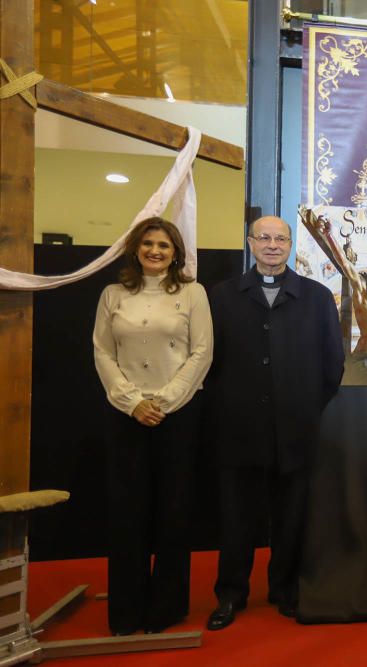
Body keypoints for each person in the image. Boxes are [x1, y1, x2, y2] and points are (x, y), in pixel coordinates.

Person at [206, 215, 344, 630]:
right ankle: (231, 594)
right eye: (263, 237)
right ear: (250, 243)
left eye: (280, 238)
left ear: (290, 245)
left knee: (292, 517)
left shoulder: (317, 297)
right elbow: (208, 361)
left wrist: (305, 407)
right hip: (238, 429)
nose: (272, 245)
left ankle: (285, 590)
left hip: (297, 429)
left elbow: (332, 364)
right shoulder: (221, 296)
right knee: (237, 520)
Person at [93, 216, 212, 635]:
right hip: (126, 414)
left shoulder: (193, 294)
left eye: (164, 244)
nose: (156, 251)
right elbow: (103, 353)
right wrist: (133, 402)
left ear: (176, 252)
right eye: (148, 244)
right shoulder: (112, 295)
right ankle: (126, 612)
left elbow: (202, 354)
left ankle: (165, 608)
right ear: (136, 250)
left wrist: (162, 402)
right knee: (128, 514)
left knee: (174, 512)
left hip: (178, 415)